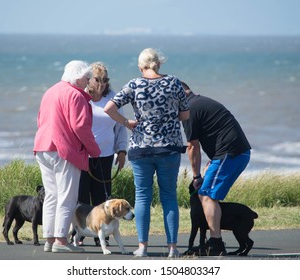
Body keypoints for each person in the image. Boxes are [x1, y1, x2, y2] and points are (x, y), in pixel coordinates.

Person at [104, 48, 190, 258]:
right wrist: (167, 118)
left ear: (140, 66)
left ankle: (142, 247)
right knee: (169, 196)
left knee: (142, 197)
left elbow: (108, 108)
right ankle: (172, 249)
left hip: (141, 147)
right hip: (168, 147)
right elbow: (185, 114)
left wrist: (127, 123)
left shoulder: (134, 84)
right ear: (159, 64)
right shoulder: (174, 82)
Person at [33, 60, 101, 253]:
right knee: (67, 197)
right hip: (64, 150)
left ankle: (50, 239)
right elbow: (80, 126)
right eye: (87, 77)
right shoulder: (75, 95)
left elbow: (40, 119)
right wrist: (94, 150)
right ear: (79, 77)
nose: (88, 81)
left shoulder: (50, 91)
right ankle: (61, 241)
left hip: (43, 147)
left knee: (52, 196)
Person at [181, 81, 251, 256]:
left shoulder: (189, 109)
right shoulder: (199, 102)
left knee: (206, 194)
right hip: (232, 153)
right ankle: (213, 240)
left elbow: (192, 147)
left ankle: (216, 243)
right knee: (208, 194)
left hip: (230, 154)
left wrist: (196, 176)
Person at [77, 62, 128, 246]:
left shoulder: (113, 98)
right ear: (89, 80)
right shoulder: (82, 97)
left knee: (102, 197)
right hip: (83, 155)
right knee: (82, 197)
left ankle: (102, 236)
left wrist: (122, 150)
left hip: (105, 155)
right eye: (97, 80)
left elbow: (121, 127)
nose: (101, 84)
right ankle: (81, 234)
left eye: (105, 80)